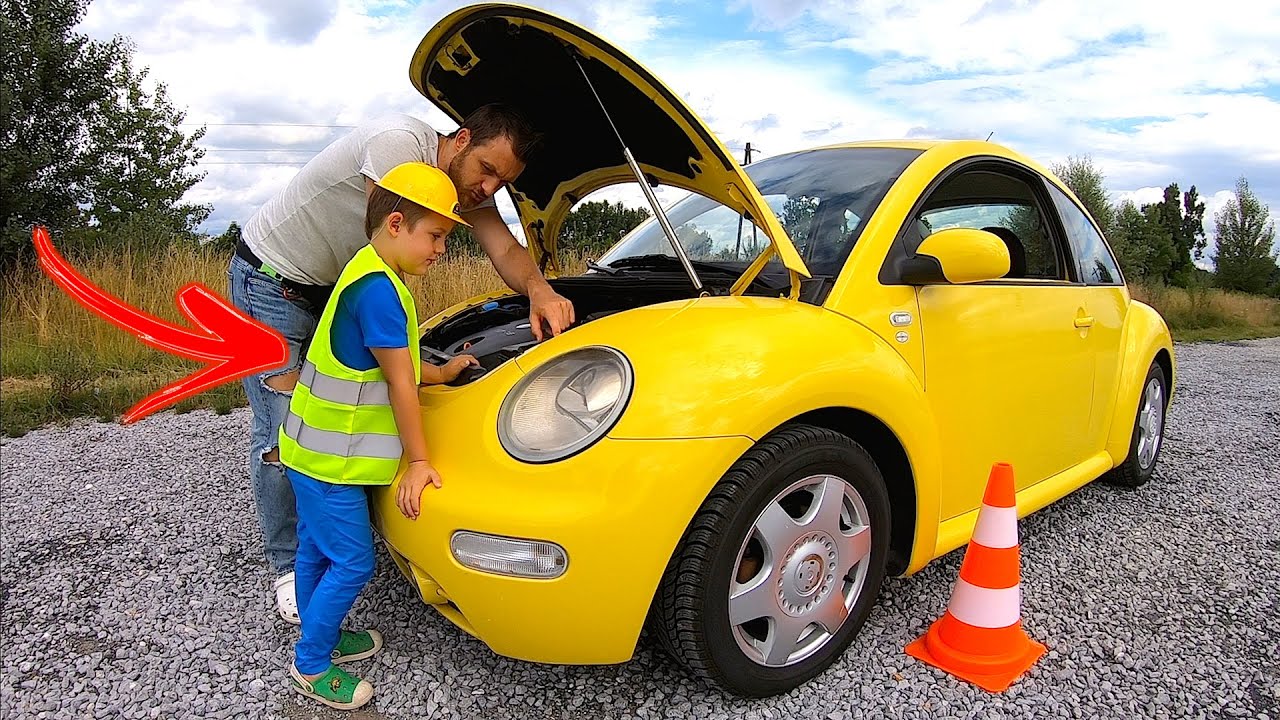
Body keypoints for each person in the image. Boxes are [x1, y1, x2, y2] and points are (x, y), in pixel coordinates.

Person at [227, 104, 575, 624]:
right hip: (274, 281)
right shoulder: (398, 147)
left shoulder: (454, 190)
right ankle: (286, 567)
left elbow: (503, 246)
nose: (489, 189)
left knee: (330, 408)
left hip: (329, 289)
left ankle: (330, 528)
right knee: (281, 427)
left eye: (503, 182)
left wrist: (540, 290)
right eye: (487, 169)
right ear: (460, 141)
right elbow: (389, 257)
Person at [279, 161, 477, 710]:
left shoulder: (367, 270)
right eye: (435, 235)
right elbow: (398, 387)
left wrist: (441, 371)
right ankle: (312, 663)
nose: (441, 249)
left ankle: (322, 630)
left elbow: (396, 366)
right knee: (353, 561)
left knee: (318, 550)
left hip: (307, 450)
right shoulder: (382, 295)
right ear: (396, 223)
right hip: (330, 463)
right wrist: (419, 462)